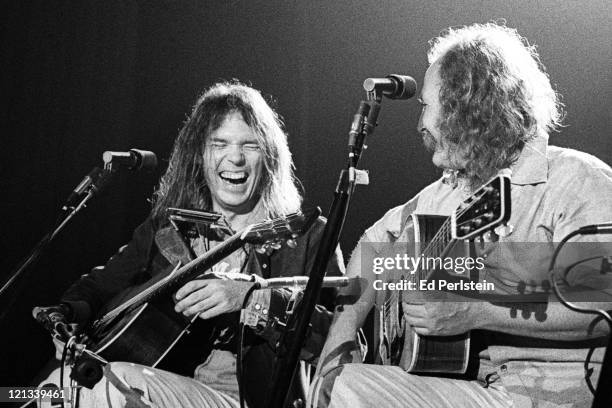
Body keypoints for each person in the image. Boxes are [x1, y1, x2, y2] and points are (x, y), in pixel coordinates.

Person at [310, 22, 612, 408]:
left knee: (353, 389)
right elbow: (377, 243)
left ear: (465, 107)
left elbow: (600, 305)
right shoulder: (450, 193)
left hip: (548, 397)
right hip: (477, 390)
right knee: (339, 379)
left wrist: (477, 310)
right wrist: (345, 329)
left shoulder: (575, 180)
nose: (420, 125)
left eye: (426, 108)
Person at [38, 81, 344, 408]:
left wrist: (254, 299)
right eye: (219, 143)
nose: (235, 158)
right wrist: (69, 317)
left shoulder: (307, 236)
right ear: (199, 155)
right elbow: (98, 287)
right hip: (160, 384)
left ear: (268, 156)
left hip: (242, 400)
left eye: (250, 145)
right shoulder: (168, 229)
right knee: (48, 393)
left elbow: (340, 339)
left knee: (107, 384)